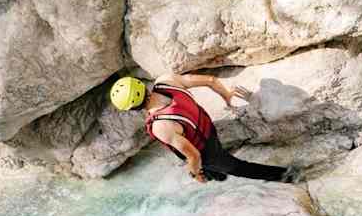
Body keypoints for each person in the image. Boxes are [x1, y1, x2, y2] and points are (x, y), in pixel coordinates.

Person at [109, 74, 293, 183]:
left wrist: (194, 173)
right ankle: (218, 175)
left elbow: (193, 156)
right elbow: (211, 80)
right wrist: (226, 96)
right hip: (207, 128)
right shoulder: (166, 81)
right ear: (139, 84)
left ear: (132, 108)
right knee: (215, 164)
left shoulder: (160, 126)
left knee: (238, 167)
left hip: (205, 151)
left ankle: (287, 176)